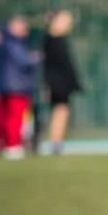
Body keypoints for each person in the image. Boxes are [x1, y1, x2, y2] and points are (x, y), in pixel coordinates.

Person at [0, 15, 39, 159]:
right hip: (16, 86)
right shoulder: (12, 43)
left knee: (11, 118)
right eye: (21, 26)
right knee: (15, 118)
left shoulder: (6, 41)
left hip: (9, 85)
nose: (25, 29)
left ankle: (11, 145)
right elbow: (24, 61)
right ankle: (13, 146)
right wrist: (36, 57)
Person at [43, 10, 83, 155]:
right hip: (57, 84)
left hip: (63, 83)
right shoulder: (51, 41)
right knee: (60, 112)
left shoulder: (59, 40)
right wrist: (49, 85)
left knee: (62, 112)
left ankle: (57, 142)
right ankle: (55, 143)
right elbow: (52, 66)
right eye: (65, 20)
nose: (68, 23)